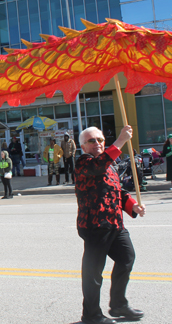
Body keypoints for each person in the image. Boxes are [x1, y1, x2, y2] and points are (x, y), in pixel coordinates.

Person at [75, 126, 145, 324]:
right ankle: (91, 315)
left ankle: (118, 305)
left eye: (100, 139)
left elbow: (118, 192)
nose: (97, 143)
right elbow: (98, 166)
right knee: (93, 273)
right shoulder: (84, 162)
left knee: (127, 258)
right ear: (83, 146)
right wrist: (120, 141)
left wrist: (134, 206)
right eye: (91, 141)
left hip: (115, 224)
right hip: (95, 225)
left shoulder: (109, 164)